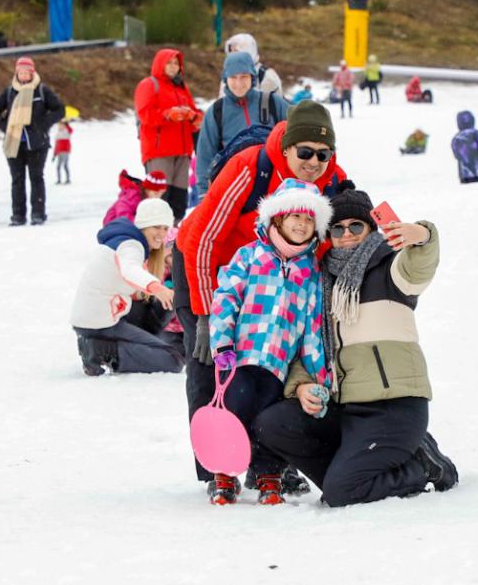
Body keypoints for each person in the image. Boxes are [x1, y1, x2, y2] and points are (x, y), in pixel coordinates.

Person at [174, 102, 348, 489]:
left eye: (323, 154)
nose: (314, 161)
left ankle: (265, 463)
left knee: (275, 368)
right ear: (287, 148)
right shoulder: (252, 167)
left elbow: (357, 219)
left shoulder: (332, 182)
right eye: (305, 151)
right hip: (207, 266)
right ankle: (218, 466)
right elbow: (204, 238)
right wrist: (204, 315)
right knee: (210, 367)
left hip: (279, 281)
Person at [255, 184, 457, 506]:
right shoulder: (320, 283)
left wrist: (422, 235)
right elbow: (306, 347)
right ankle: (350, 475)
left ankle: (420, 466)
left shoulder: (391, 269)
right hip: (347, 409)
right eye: (338, 228)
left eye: (356, 226)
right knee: (272, 423)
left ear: (370, 229)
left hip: (394, 407)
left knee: (341, 492)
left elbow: (419, 264)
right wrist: (302, 385)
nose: (346, 234)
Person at [205, 179, 334, 506]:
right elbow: (225, 299)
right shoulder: (249, 255)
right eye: (295, 217)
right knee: (234, 413)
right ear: (276, 219)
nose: (302, 225)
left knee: (265, 419)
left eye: (309, 220)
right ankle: (224, 475)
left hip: (278, 365)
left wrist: (321, 375)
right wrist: (221, 345)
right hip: (241, 359)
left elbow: (312, 328)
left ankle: (268, 475)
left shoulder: (311, 271)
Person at [71, 197, 182, 376]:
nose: (162, 233)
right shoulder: (132, 246)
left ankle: (103, 346)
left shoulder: (125, 240)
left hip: (96, 316)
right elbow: (129, 270)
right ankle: (100, 349)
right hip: (99, 321)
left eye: (165, 228)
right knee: (173, 359)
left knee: (150, 315)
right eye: (156, 227)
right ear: (143, 226)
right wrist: (158, 288)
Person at [193, 51, 289, 205]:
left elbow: (298, 129)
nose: (238, 83)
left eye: (244, 76)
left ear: (252, 76)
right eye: (233, 77)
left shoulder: (271, 102)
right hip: (234, 190)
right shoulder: (217, 111)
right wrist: (204, 195)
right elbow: (205, 156)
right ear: (226, 79)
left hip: (275, 186)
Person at [0, 57, 65, 227]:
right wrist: (4, 125)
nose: (23, 75)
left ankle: (38, 214)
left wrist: (43, 124)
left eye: (26, 72)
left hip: (37, 143)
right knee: (17, 179)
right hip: (14, 142)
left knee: (36, 178)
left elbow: (60, 109)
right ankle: (18, 215)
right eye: (20, 72)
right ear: (16, 73)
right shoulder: (9, 92)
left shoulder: (42, 91)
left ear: (32, 72)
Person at [133, 48, 201, 222]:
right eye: (169, 62)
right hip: (159, 152)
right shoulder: (149, 85)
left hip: (183, 151)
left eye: (176, 63)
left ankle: (174, 237)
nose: (173, 66)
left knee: (179, 200)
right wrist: (168, 114)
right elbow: (145, 114)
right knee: (159, 199)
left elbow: (194, 113)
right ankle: (156, 238)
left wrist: (194, 117)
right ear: (159, 64)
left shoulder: (182, 87)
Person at [451, 110, 478, 183]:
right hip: (476, 168)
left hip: (463, 171)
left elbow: (455, 151)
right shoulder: (476, 133)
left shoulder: (457, 137)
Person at [51, 117, 74, 185]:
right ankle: (59, 180)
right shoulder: (58, 134)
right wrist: (54, 154)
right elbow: (56, 145)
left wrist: (67, 124)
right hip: (59, 152)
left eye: (61, 125)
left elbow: (71, 130)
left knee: (65, 165)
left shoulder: (67, 132)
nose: (60, 126)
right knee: (58, 166)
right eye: (59, 125)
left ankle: (68, 179)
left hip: (65, 151)